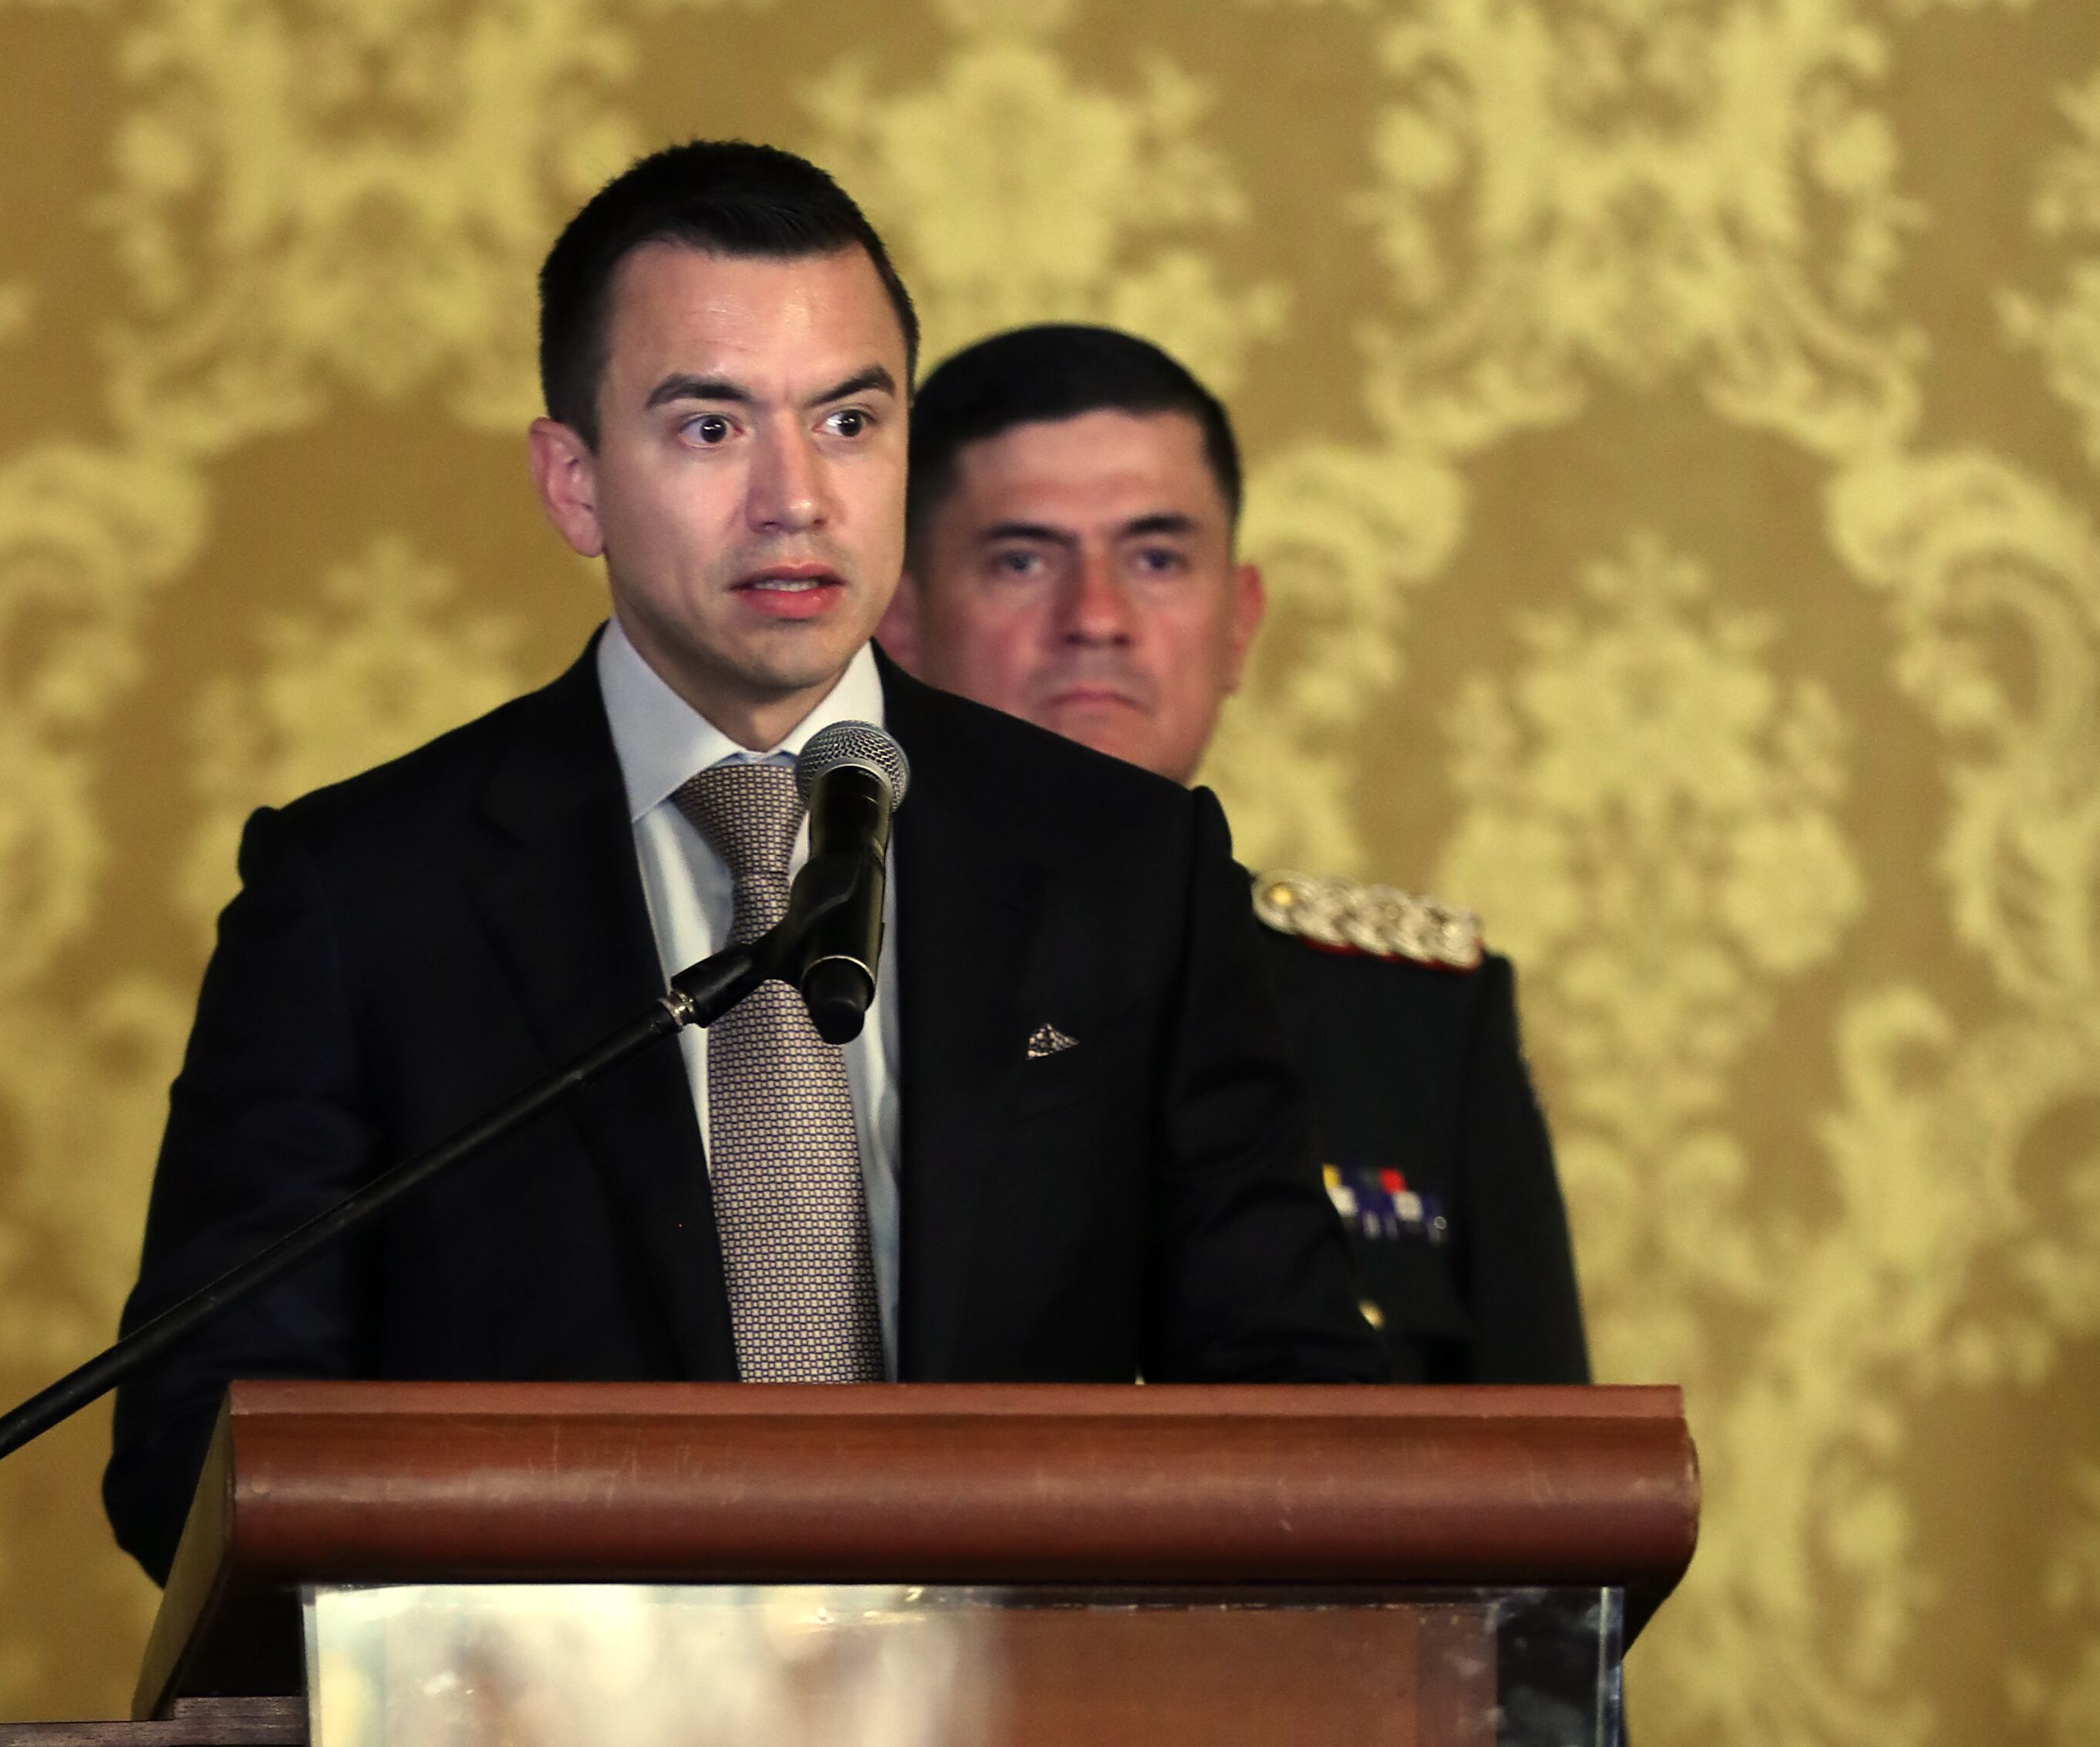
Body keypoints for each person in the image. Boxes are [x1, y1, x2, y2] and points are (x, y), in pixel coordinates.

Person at [102, 147, 1382, 1583]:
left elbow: (1291, 1396)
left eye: (847, 419)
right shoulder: (361, 894)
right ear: (573, 484)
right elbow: (191, 1444)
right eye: (710, 428)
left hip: (1026, 1746)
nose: (795, 498)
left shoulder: (1125, 866)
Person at [880, 324, 1589, 1388]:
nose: (1096, 618)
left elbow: (1534, 1511)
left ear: (1239, 623)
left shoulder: (1413, 1017)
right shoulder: (800, 986)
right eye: (1021, 558)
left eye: (1156, 558)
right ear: (899, 621)